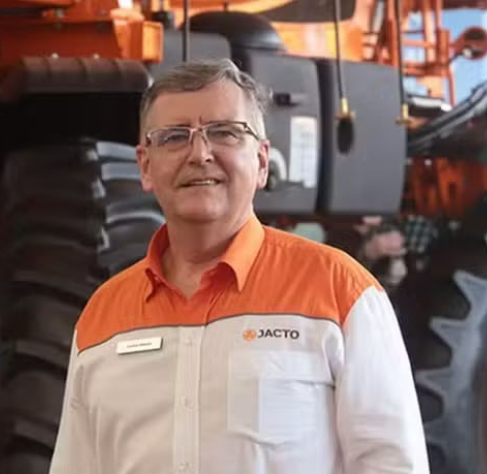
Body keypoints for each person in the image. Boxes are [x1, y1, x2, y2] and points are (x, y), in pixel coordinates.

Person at [49, 59, 429, 474]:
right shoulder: (103, 315)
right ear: (145, 166)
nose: (199, 154)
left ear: (263, 161)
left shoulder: (341, 292)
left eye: (224, 132)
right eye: (175, 137)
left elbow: (393, 465)